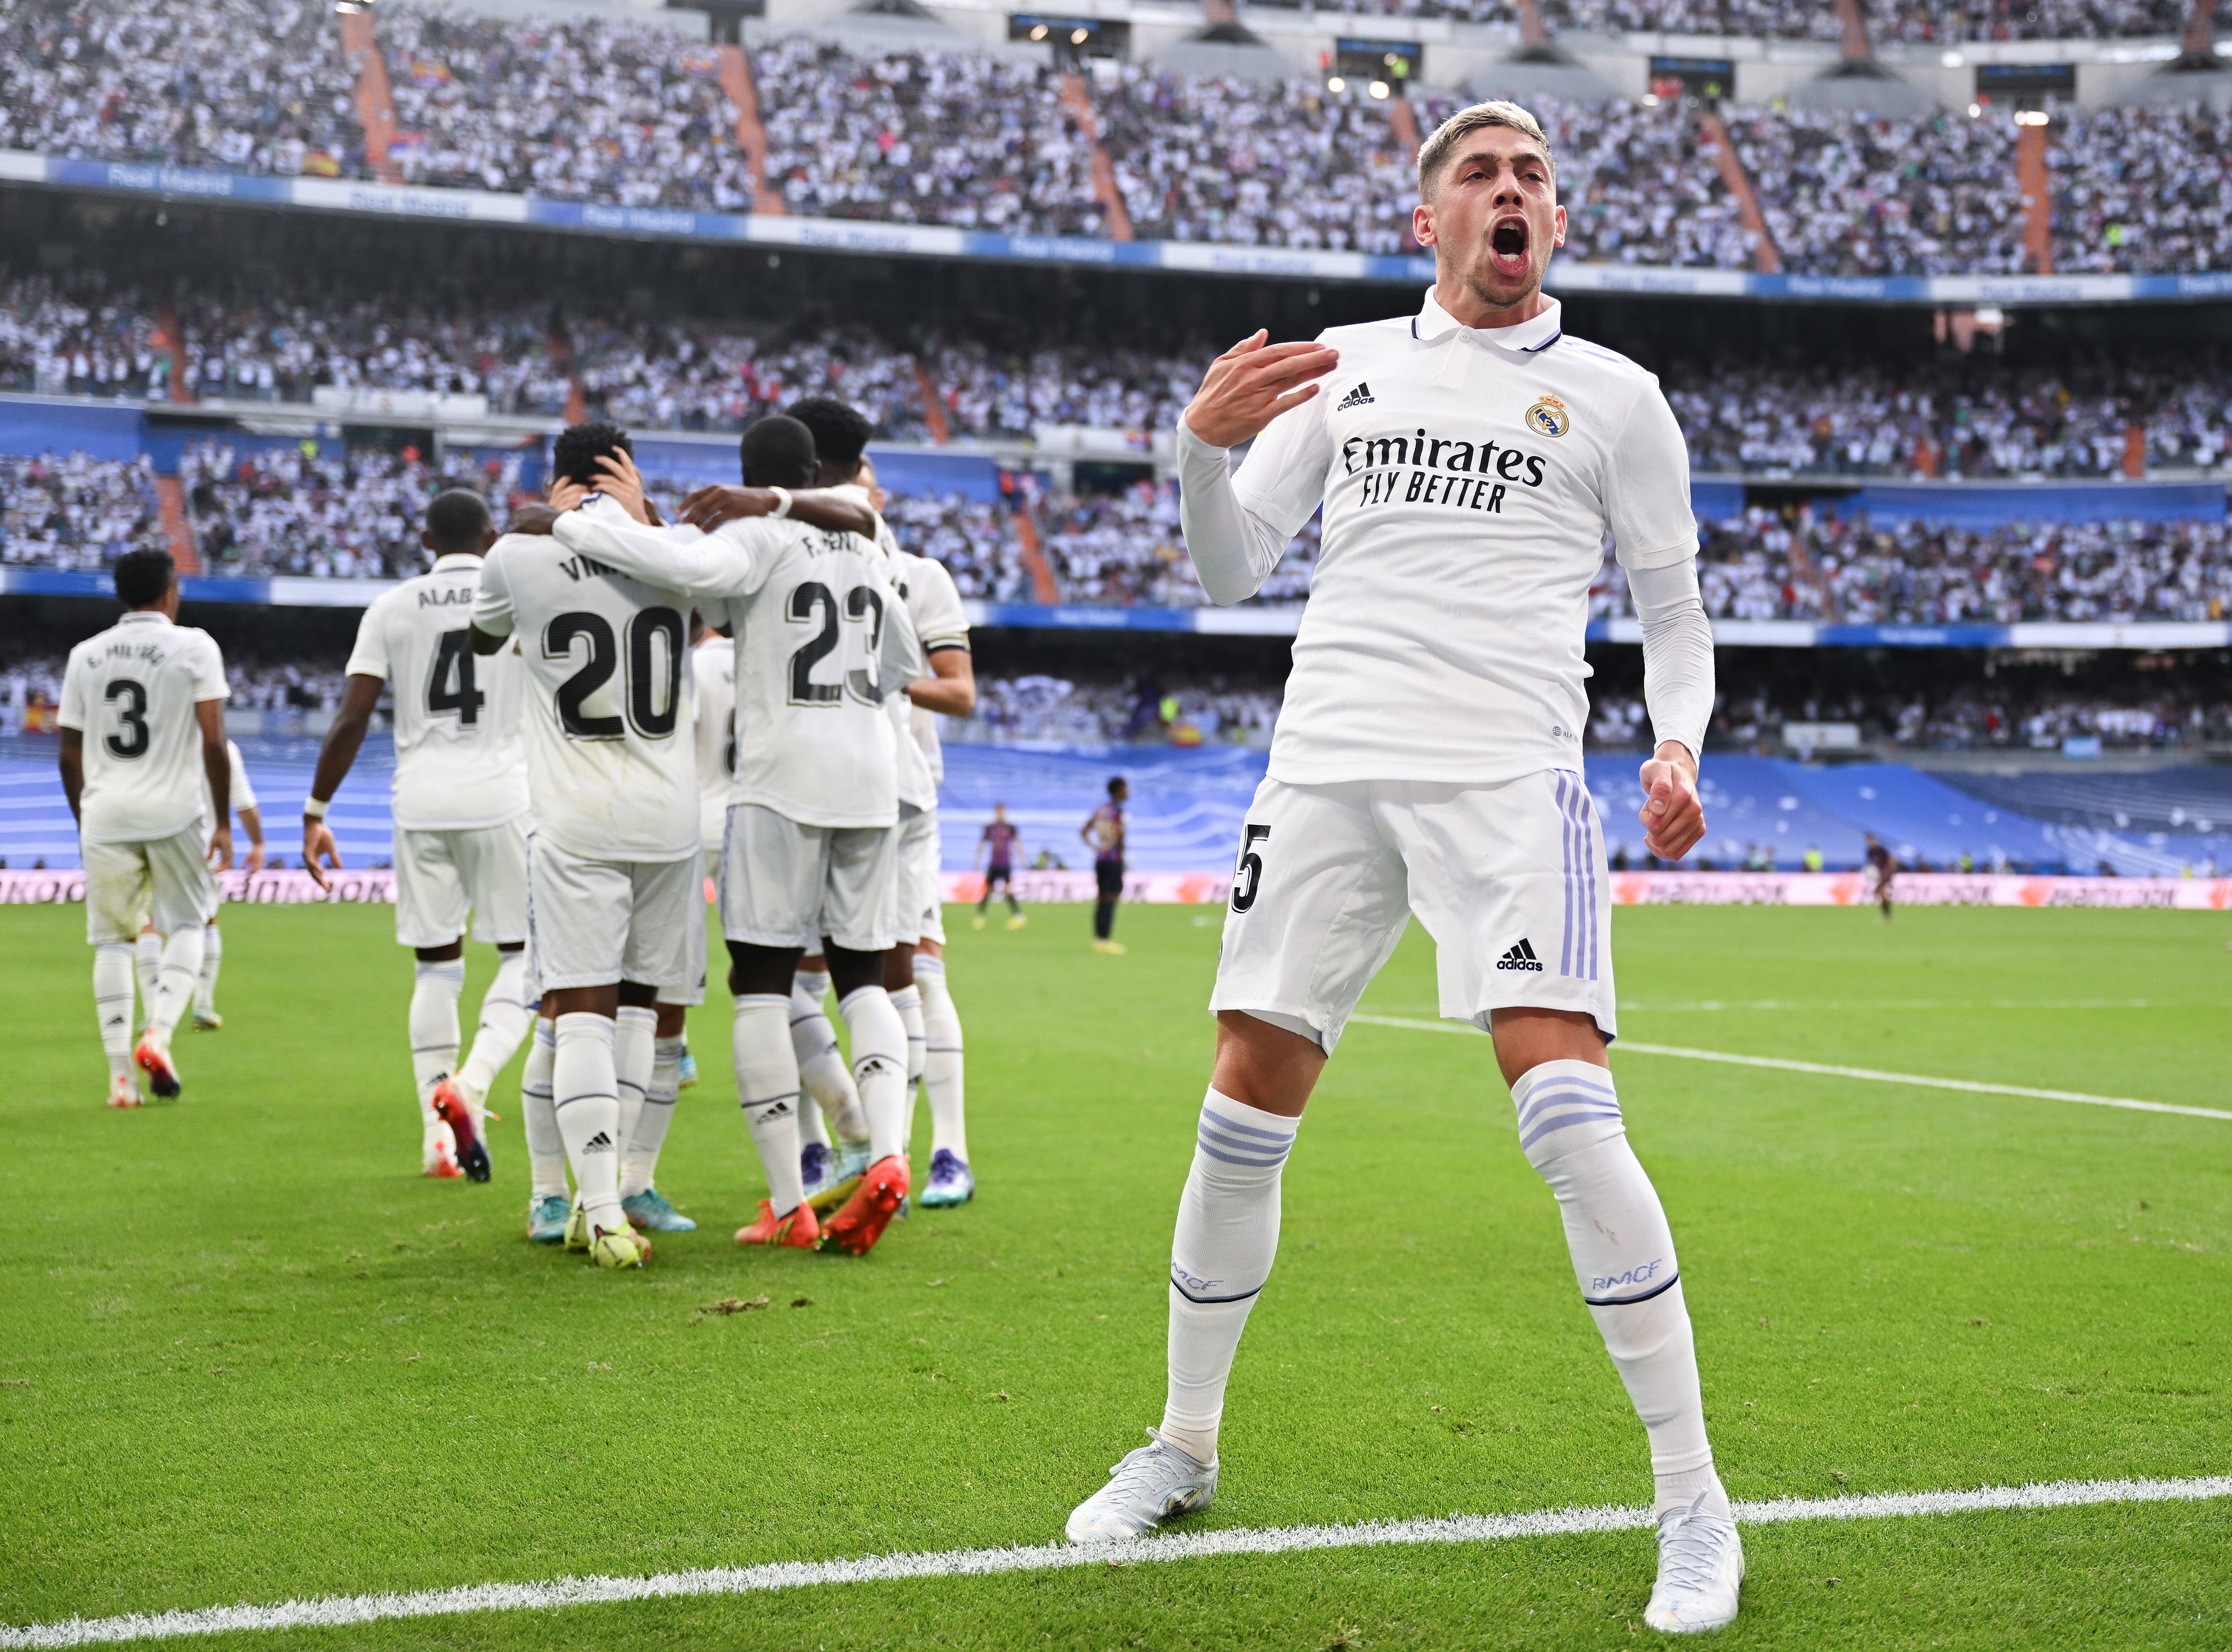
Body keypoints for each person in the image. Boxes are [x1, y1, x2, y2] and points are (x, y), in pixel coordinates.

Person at [1060, 103, 1740, 1635]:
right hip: (1326, 767)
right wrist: (1196, 446)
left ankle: (1692, 1499)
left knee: (1565, 1107)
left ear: (1549, 222)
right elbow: (1233, 565)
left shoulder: (1616, 397)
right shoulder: (1344, 364)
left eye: (1532, 178)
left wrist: (1677, 743)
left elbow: (1671, 609)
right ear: (1426, 212)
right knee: (1242, 1108)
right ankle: (1181, 1443)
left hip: (1511, 780)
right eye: (1479, 175)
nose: (1511, 192)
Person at [542, 419, 916, 1257]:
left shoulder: (755, 535)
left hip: (784, 781)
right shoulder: (869, 547)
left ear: (743, 480)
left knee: (763, 985)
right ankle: (888, 1152)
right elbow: (901, 663)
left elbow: (679, 566)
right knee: (863, 979)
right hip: (871, 777)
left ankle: (790, 1202)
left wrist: (591, 517)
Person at [466, 421, 706, 1270]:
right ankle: (624, 1188)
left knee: (580, 1015)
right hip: (671, 815)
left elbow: (487, 637)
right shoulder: (675, 548)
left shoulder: (516, 554)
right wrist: (648, 520)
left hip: (575, 818)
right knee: (643, 1005)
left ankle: (594, 1207)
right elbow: (710, 614)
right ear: (628, 474)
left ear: (556, 479)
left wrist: (538, 522)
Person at [303, 488, 533, 1186]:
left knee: (437, 968)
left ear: (427, 538)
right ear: (492, 537)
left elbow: (351, 718)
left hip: (421, 799)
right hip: (501, 795)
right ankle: (475, 1080)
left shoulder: (391, 606)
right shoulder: (519, 599)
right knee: (528, 958)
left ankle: (436, 1143)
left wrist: (316, 808)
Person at [57, 548, 231, 1108]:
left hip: (106, 810)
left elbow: (67, 750)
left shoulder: (84, 655)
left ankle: (118, 1083)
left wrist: (87, 816)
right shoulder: (195, 645)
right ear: (170, 592)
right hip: (174, 810)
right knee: (187, 925)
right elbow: (213, 741)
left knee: (113, 940)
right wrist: (224, 821)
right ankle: (157, 1032)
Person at [135, 735, 261, 1034]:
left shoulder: (155, 741)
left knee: (148, 922)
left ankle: (153, 1012)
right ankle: (203, 1005)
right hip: (200, 845)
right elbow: (243, 800)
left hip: (152, 837)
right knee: (205, 920)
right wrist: (257, 842)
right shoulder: (223, 748)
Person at [1083, 777, 1128, 954]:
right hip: (1113, 859)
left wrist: (1096, 846)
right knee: (1111, 898)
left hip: (1100, 858)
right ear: (1118, 791)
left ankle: (1099, 939)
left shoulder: (1101, 810)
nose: (1127, 793)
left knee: (1102, 898)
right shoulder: (1116, 811)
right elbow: (1119, 833)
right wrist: (1120, 847)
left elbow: (1084, 831)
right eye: (1125, 789)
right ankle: (1105, 940)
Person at [974, 804, 1024, 930]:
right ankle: (981, 916)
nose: (1000, 813)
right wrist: (977, 862)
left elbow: (1018, 842)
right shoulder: (990, 828)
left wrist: (1021, 857)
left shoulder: (1010, 828)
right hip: (994, 864)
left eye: (1002, 811)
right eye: (998, 811)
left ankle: (1018, 916)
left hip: (1005, 863)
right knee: (988, 890)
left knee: (1007, 890)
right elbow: (982, 844)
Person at [1864, 833, 1895, 920]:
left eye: (1871, 840)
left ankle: (1887, 915)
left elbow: (1891, 859)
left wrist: (1890, 871)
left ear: (1875, 840)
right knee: (1881, 894)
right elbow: (1871, 865)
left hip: (1886, 874)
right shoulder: (1870, 852)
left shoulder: (1881, 850)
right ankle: (1887, 915)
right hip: (1880, 874)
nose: (1869, 842)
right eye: (1868, 841)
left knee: (1879, 892)